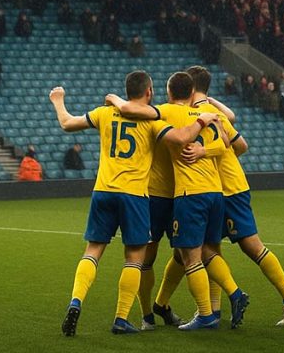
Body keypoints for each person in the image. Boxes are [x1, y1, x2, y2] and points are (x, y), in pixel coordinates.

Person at [50, 72, 218, 336]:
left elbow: (67, 123)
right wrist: (202, 121)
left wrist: (58, 100)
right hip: (135, 195)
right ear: (149, 92)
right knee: (135, 258)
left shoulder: (104, 114)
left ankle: (76, 301)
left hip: (103, 191)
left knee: (93, 250)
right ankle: (121, 318)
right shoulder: (152, 121)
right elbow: (182, 138)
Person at [107, 71, 250, 331]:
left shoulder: (163, 112)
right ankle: (172, 306)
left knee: (151, 258)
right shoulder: (204, 116)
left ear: (168, 92)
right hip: (199, 192)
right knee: (199, 252)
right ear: (192, 91)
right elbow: (229, 131)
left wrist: (114, 99)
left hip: (161, 195)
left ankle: (151, 314)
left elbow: (131, 108)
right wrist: (207, 124)